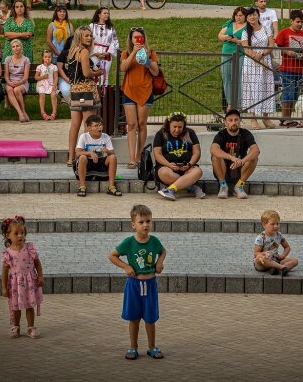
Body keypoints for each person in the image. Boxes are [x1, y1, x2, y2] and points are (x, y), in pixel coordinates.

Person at [108, 205, 166, 360]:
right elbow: (112, 256)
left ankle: (152, 347)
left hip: (151, 285)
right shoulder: (129, 242)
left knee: (150, 318)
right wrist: (126, 266)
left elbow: (163, 251)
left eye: (148, 221)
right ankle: (133, 347)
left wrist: (159, 262)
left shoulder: (154, 241)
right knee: (134, 318)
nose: (145, 225)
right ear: (133, 224)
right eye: (141, 222)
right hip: (134, 285)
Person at [120, 27, 159, 168]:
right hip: (129, 90)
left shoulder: (151, 53)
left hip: (145, 90)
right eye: (135, 37)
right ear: (130, 39)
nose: (137, 40)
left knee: (142, 123)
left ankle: (139, 156)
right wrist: (134, 52)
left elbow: (155, 72)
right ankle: (132, 158)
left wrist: (147, 61)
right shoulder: (126, 53)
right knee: (131, 124)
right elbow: (123, 68)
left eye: (139, 37)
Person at [63, 26, 103, 164]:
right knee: (89, 125)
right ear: (79, 37)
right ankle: (86, 156)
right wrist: (97, 73)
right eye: (86, 35)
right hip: (85, 90)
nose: (89, 38)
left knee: (74, 125)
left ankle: (70, 157)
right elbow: (86, 73)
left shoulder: (72, 51)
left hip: (74, 90)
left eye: (90, 35)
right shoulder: (84, 51)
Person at [1, 215, 44, 339]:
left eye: (22, 232)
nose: (20, 236)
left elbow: (37, 263)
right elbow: (4, 271)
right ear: (7, 235)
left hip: (30, 282)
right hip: (15, 284)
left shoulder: (29, 248)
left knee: (30, 306)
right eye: (16, 233)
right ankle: (16, 326)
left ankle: (31, 327)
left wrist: (40, 276)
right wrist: (4, 287)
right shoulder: (7, 253)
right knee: (16, 307)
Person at [154, 112, 205, 201]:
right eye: (174, 127)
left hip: (187, 168)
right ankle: (191, 187)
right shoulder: (160, 134)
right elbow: (157, 154)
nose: (177, 130)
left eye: (180, 127)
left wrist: (190, 164)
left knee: (198, 172)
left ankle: (170, 190)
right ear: (169, 124)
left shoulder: (190, 133)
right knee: (163, 173)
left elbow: (197, 152)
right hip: (167, 167)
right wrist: (169, 165)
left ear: (184, 126)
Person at [210, 108, 260, 199]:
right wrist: (231, 158)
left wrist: (242, 161)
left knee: (254, 158)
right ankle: (223, 186)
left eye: (236, 120)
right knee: (215, 156)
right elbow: (213, 149)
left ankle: (239, 186)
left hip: (240, 169)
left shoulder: (245, 133)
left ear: (240, 121)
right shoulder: (221, 134)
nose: (234, 122)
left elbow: (256, 150)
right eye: (230, 120)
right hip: (224, 170)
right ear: (225, 123)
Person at [241, 7, 276, 129]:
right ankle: (253, 118)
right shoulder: (245, 31)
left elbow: (271, 45)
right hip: (251, 63)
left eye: (254, 14)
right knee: (252, 89)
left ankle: (266, 117)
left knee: (267, 88)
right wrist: (256, 57)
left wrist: (261, 55)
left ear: (258, 15)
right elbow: (246, 48)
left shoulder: (266, 29)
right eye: (249, 15)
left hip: (265, 60)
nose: (252, 17)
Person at [74, 114, 122, 197]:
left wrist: (107, 151)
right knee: (82, 157)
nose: (100, 127)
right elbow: (77, 153)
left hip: (101, 165)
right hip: (87, 165)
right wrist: (90, 153)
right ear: (89, 128)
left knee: (113, 157)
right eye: (96, 125)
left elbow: (112, 152)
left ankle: (111, 187)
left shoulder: (105, 136)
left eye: (100, 125)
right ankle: (82, 187)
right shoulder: (84, 136)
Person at [275, 10, 303, 127]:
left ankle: (288, 117)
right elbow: (278, 46)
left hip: (299, 68)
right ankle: (285, 118)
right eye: (297, 22)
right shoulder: (284, 32)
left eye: (301, 22)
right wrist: (288, 52)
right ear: (291, 21)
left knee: (294, 93)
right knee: (287, 92)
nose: (299, 24)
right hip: (287, 67)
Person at [217, 6, 247, 112]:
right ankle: (230, 103)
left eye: (241, 15)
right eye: (236, 15)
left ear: (245, 16)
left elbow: (247, 42)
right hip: (226, 52)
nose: (238, 18)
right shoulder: (229, 23)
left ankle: (238, 104)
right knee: (226, 78)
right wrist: (225, 37)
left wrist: (236, 40)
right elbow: (220, 35)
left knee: (238, 78)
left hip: (240, 54)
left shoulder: (247, 26)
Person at [253, 210, 298, 275]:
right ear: (264, 225)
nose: (276, 226)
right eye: (272, 224)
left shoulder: (279, 235)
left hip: (275, 260)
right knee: (259, 258)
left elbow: (287, 247)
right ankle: (282, 268)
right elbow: (256, 253)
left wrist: (283, 255)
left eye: (277, 223)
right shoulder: (261, 238)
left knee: (295, 261)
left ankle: (276, 268)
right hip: (263, 263)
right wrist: (265, 254)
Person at [90, 7, 119, 90]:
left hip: (106, 54)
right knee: (93, 73)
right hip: (94, 54)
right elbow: (88, 40)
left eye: (108, 13)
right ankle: (93, 95)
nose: (107, 15)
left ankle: (104, 95)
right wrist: (95, 52)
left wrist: (109, 52)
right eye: (104, 13)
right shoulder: (92, 26)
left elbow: (115, 41)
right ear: (99, 15)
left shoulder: (111, 27)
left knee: (104, 75)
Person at [3, 39, 31, 123]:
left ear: (21, 47)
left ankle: (23, 111)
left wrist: (19, 82)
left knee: (17, 89)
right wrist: (9, 82)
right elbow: (6, 75)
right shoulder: (8, 59)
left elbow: (26, 77)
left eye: (17, 46)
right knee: (9, 89)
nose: (16, 48)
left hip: (22, 82)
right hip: (11, 82)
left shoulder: (26, 60)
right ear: (11, 49)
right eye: (13, 47)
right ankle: (21, 113)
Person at [35, 49, 58, 121]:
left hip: (51, 84)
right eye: (45, 57)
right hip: (42, 84)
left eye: (49, 57)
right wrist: (42, 77)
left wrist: (54, 85)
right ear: (43, 58)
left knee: (53, 94)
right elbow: (36, 77)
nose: (47, 58)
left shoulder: (54, 67)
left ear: (52, 58)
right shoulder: (40, 67)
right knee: (42, 94)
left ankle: (54, 112)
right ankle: (43, 112)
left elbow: (56, 77)